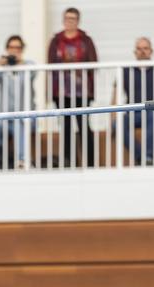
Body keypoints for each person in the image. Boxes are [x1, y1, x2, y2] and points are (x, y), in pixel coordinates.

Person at [48, 7, 97, 167]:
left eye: (73, 19)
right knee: (66, 126)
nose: (70, 21)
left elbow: (93, 63)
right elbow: (50, 65)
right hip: (61, 91)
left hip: (82, 91)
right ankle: (69, 162)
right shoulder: (56, 40)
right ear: (63, 20)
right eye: (67, 18)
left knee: (84, 125)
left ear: (78, 21)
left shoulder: (85, 40)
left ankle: (90, 162)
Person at [121, 38, 154, 165]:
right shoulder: (126, 71)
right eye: (139, 48)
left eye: (145, 48)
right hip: (134, 113)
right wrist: (113, 116)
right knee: (117, 124)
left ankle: (148, 157)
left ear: (151, 51)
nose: (142, 51)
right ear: (135, 52)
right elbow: (116, 95)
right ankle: (140, 157)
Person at [0, 35, 36, 169]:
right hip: (5, 117)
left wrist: (20, 63)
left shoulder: (28, 66)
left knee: (19, 123)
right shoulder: (2, 67)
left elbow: (34, 72)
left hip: (26, 118)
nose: (14, 50)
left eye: (18, 48)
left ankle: (21, 161)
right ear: (7, 49)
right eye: (12, 47)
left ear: (22, 49)